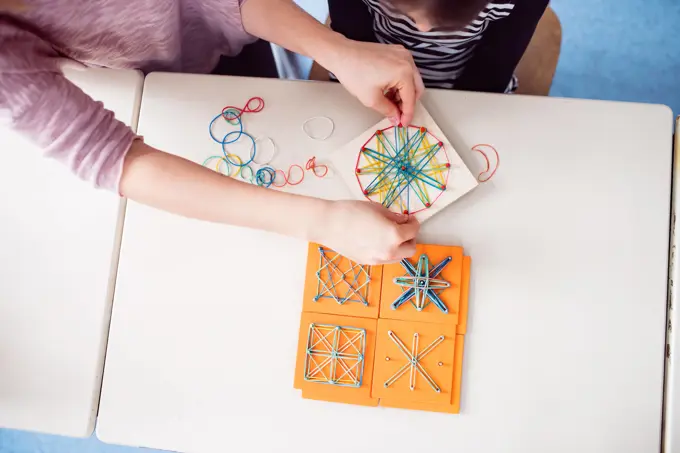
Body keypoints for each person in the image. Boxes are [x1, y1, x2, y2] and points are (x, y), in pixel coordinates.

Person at [0, 0, 425, 265]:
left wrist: (335, 49)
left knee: (262, 85)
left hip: (232, 37)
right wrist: (325, 222)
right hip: (157, 85)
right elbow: (109, 157)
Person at [328, 0, 549, 93]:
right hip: (363, 65)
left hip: (469, 80)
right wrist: (370, 76)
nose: (423, 29)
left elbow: (496, 64)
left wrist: (462, 101)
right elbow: (351, 36)